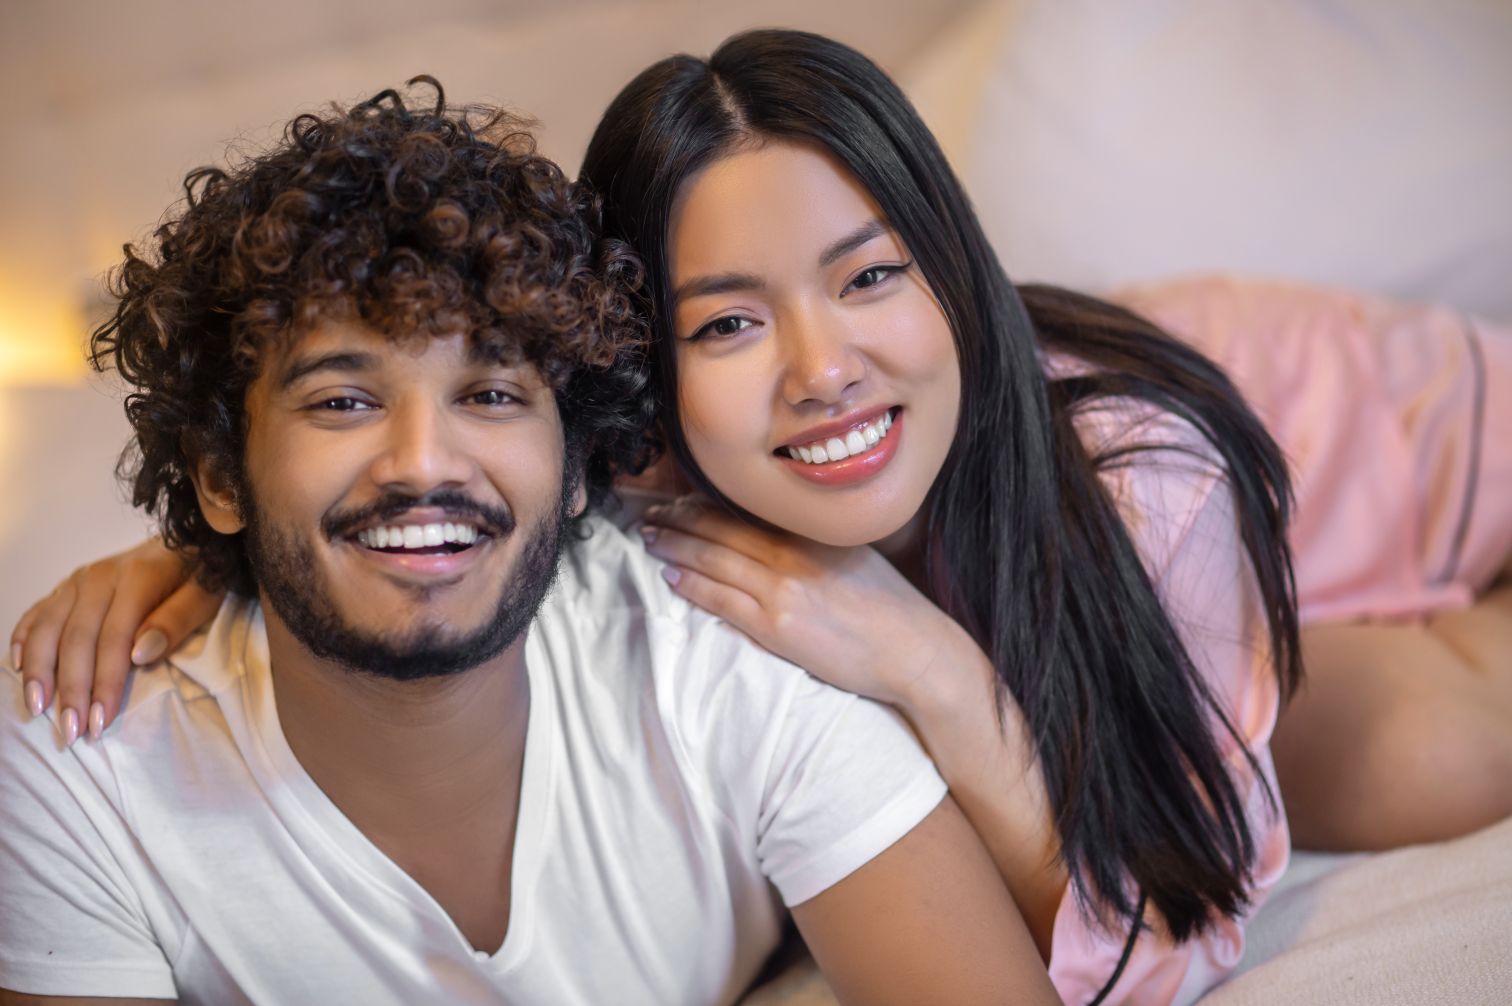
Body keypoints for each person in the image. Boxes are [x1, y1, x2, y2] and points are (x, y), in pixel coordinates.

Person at [14, 28, 1512, 1006]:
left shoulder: (1141, 477)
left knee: (1423, 742)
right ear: (638, 374)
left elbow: (1185, 937)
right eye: (726, 324)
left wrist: (922, 659)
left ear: (948, 267)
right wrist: (190, 550)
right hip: (1135, 592)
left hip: (1334, 433)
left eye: (871, 275)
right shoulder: (638, 471)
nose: (818, 371)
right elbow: (416, 501)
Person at [0, 80, 1056, 1005]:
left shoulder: (741, 628)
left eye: (494, 392)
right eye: (344, 400)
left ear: (583, 461)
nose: (423, 461)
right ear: (222, 475)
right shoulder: (74, 752)